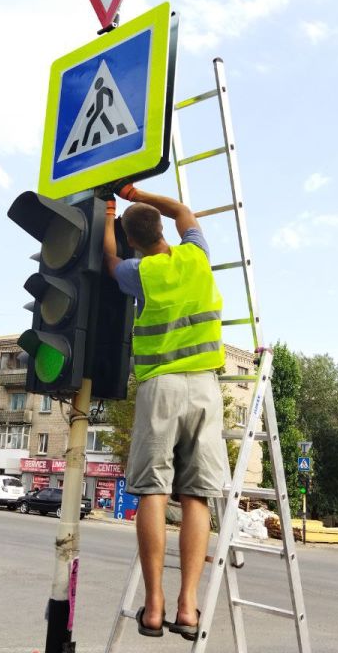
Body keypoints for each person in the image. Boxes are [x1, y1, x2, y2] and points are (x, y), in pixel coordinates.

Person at [103, 183, 226, 641]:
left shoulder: (139, 272)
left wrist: (110, 212)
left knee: (153, 491)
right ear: (163, 230)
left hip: (161, 389)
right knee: (196, 496)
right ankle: (188, 606)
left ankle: (153, 606)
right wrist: (137, 192)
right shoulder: (196, 255)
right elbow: (182, 209)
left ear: (134, 239)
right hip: (206, 390)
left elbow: (109, 261)